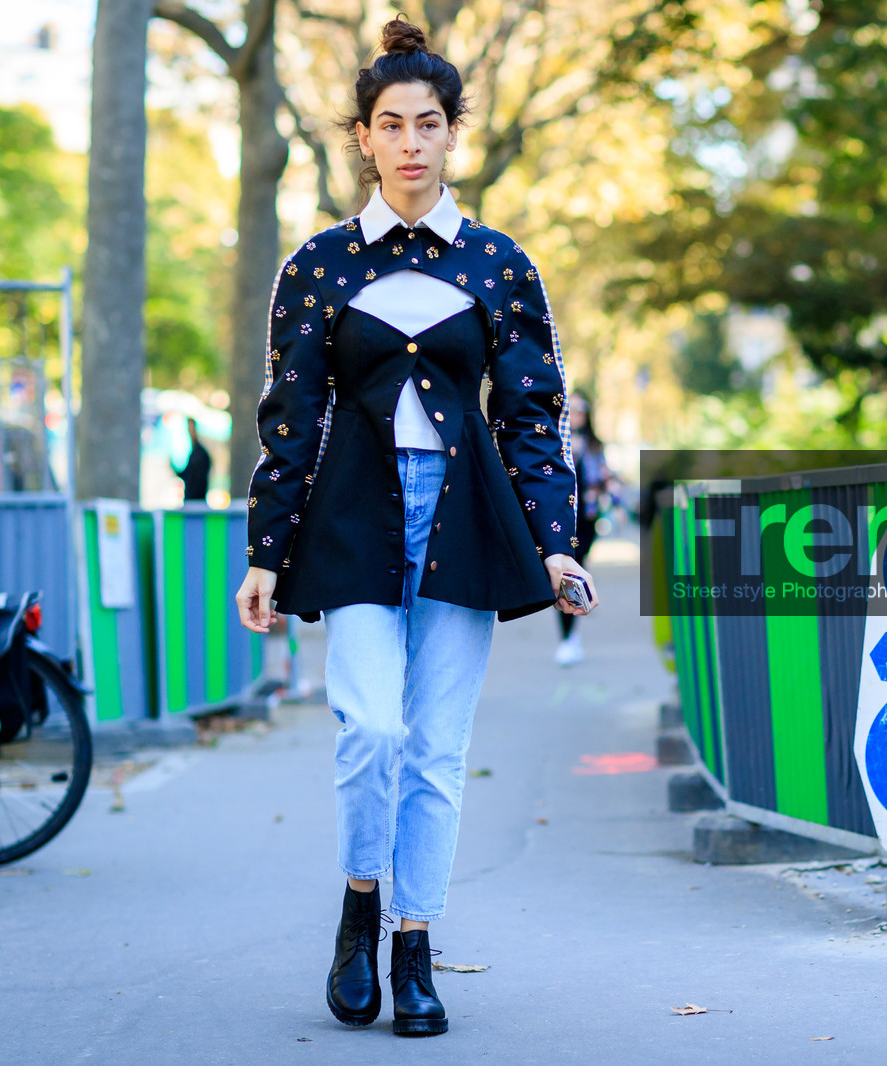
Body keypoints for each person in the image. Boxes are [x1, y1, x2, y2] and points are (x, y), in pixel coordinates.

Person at [234, 17, 597, 1039]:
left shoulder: (498, 264)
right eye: (389, 124)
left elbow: (528, 414)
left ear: (450, 135)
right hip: (351, 517)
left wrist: (557, 538)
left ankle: (415, 943)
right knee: (372, 731)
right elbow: (290, 412)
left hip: (463, 518)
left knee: (437, 750)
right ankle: (359, 904)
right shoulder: (316, 266)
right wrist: (268, 550)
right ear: (363, 138)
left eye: (427, 123)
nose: (409, 142)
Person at [555, 392, 615, 665]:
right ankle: (568, 637)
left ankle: (572, 630)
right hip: (562, 518)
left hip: (588, 519)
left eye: (581, 409)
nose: (576, 413)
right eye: (572, 408)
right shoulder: (555, 439)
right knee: (566, 569)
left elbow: (603, 477)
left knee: (580, 564)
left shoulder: (594, 444)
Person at [174, 417, 211, 503]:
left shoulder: (200, 454)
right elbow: (186, 475)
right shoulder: (194, 452)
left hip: (197, 500)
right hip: (191, 500)